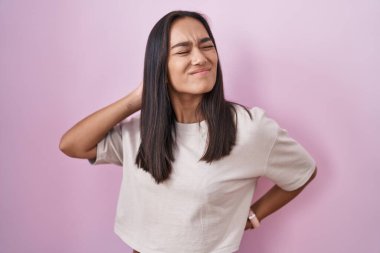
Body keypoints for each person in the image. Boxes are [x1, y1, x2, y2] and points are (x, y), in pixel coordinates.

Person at [59, 10, 317, 253]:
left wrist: (255, 214)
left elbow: (303, 171)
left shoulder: (250, 129)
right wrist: (135, 99)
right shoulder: (141, 130)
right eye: (183, 50)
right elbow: (72, 145)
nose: (200, 58)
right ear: (159, 66)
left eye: (207, 46)